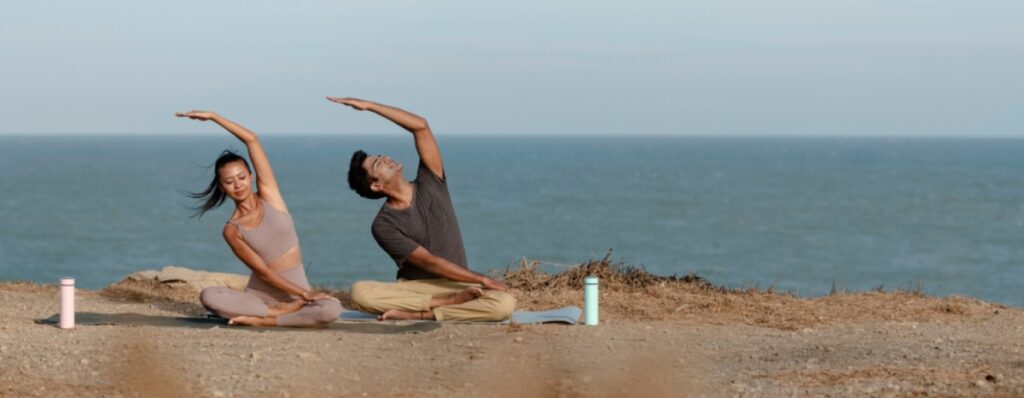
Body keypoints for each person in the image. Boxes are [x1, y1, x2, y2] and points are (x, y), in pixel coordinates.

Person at [329, 97, 515, 321]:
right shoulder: (383, 225)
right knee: (359, 292)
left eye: (381, 156)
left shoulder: (431, 180)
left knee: (503, 305)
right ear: (376, 185)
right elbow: (429, 262)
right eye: (378, 163)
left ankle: (422, 314)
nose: (386, 158)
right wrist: (485, 280)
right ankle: (439, 306)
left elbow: (421, 126)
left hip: (458, 283)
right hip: (417, 288)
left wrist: (369, 106)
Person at [177, 111, 342, 327]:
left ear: (251, 176)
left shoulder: (270, 196)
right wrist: (305, 294)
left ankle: (266, 321)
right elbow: (263, 272)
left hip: (295, 294)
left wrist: (213, 117)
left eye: (242, 177)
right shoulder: (232, 229)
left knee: (332, 310)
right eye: (229, 182)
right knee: (209, 296)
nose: (238, 185)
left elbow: (251, 139)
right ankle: (274, 313)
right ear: (222, 187)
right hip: (260, 297)